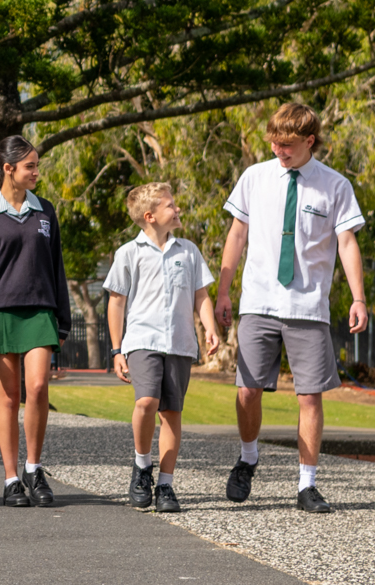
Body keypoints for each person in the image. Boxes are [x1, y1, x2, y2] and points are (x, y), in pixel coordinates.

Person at [213, 102, 367, 514]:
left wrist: (358, 298)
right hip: (259, 300)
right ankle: (248, 459)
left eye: (288, 145)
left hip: (308, 305)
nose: (279, 151)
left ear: (309, 141)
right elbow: (237, 235)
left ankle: (307, 485)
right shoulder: (255, 178)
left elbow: (348, 243)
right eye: (275, 143)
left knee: (310, 397)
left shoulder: (334, 186)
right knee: (247, 391)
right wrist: (224, 291)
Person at [0, 134, 71, 508]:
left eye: (37, 165)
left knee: (38, 388)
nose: (37, 172)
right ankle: (11, 479)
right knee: (9, 397)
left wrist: (64, 319)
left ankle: (34, 468)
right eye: (31, 166)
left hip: (40, 311)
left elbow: (57, 268)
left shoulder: (46, 212)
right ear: (8, 169)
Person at [105, 182, 220, 514]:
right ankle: (142, 467)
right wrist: (117, 350)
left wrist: (210, 328)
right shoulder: (129, 253)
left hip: (180, 343)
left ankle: (166, 484)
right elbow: (116, 302)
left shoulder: (189, 252)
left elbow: (201, 296)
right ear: (150, 216)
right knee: (146, 402)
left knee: (171, 413)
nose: (177, 209)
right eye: (171, 205)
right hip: (142, 340)